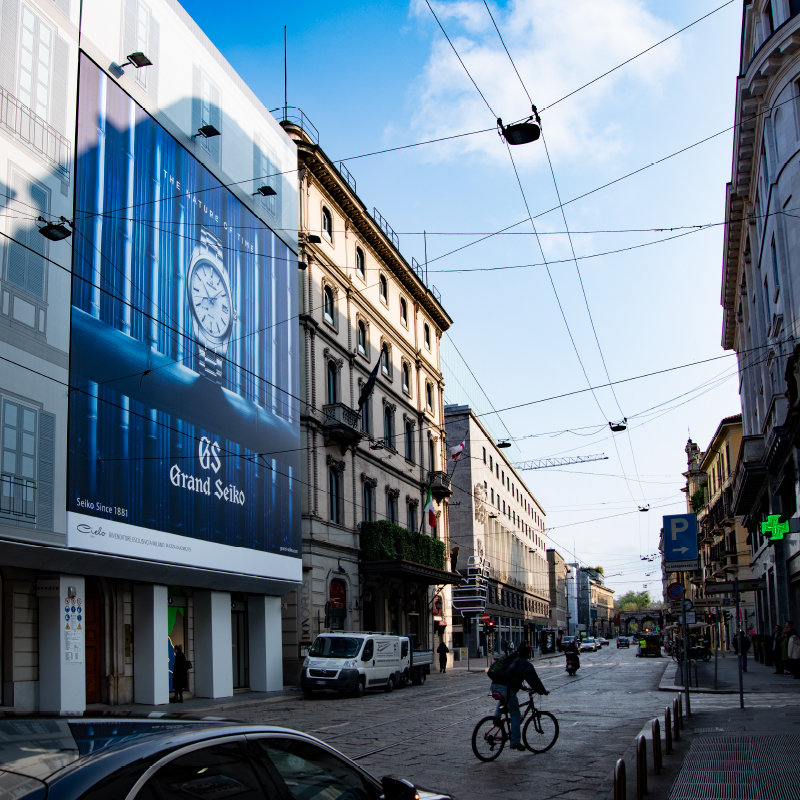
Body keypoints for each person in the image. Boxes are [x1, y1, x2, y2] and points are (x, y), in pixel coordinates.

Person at [490, 642, 548, 751]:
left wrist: (521, 687)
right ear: (527, 654)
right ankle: (515, 742)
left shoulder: (512, 658)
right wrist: (542, 691)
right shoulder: (524, 663)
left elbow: (510, 676)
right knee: (515, 714)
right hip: (506, 689)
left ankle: (496, 718)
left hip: (494, 686)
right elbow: (533, 680)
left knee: (504, 700)